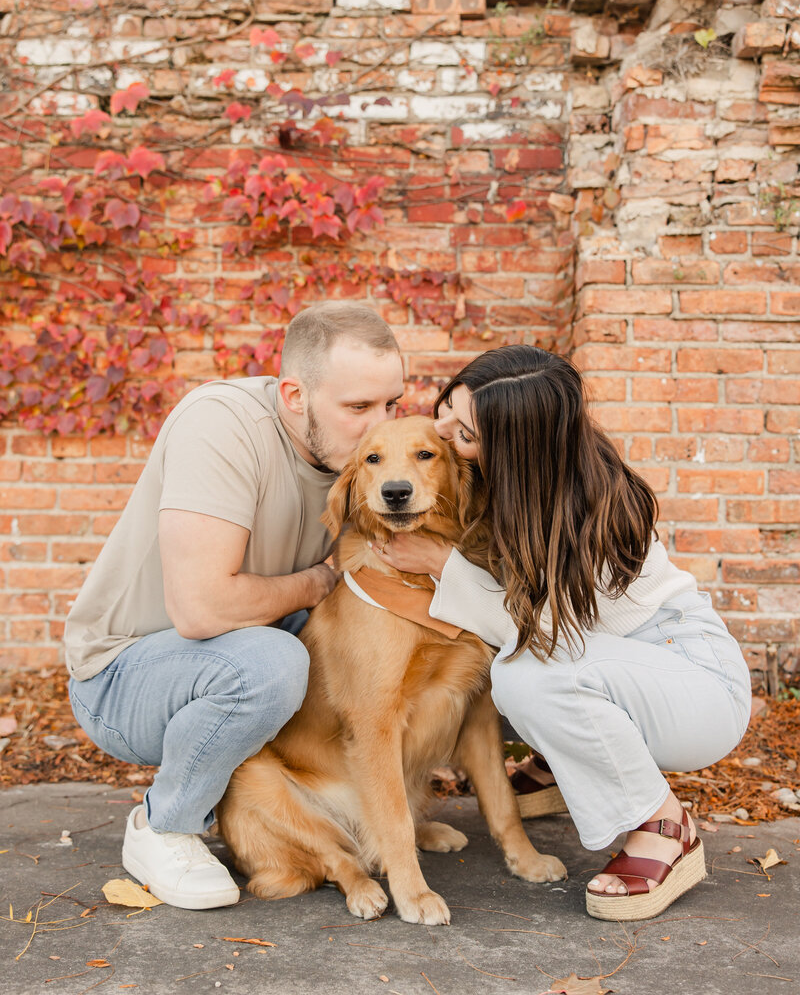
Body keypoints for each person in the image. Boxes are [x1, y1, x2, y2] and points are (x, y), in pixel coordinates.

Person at [371, 345, 751, 922]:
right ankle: (558, 765)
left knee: (524, 675)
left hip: (693, 685)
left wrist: (441, 564)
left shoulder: (592, 512)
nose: (442, 434)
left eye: (464, 434)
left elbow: (539, 635)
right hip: (616, 667)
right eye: (445, 410)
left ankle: (664, 827)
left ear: (515, 448)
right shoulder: (508, 484)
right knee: (499, 672)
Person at [65, 302, 404, 910]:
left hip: (248, 641)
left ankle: (324, 815)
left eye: (391, 405)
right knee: (272, 663)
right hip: (122, 677)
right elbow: (201, 609)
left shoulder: (357, 458)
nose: (379, 427)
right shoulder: (220, 424)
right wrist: (317, 582)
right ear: (295, 396)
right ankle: (165, 825)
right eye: (359, 408)